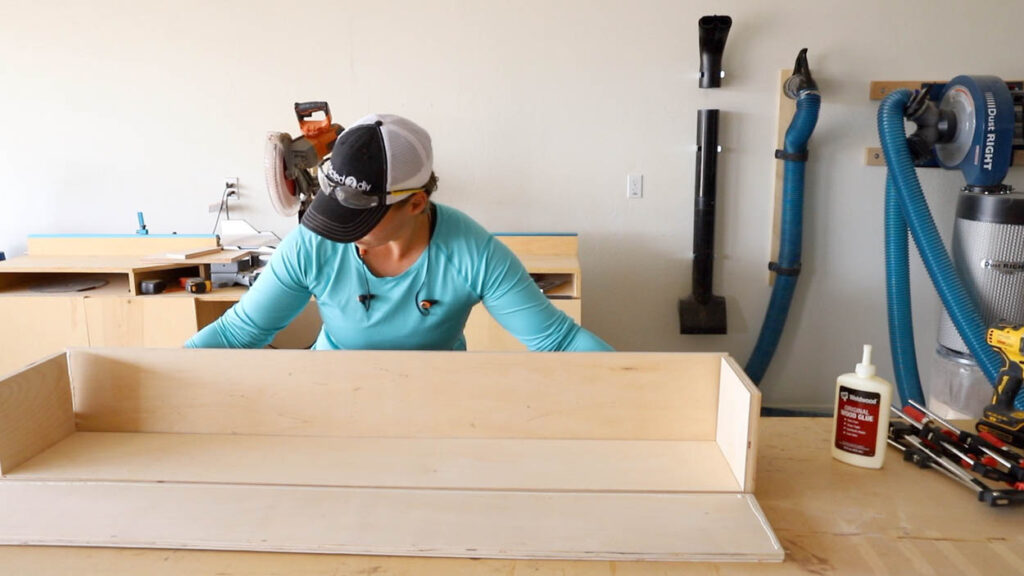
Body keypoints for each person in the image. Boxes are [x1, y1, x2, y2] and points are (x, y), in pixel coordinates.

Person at [186, 113, 612, 352]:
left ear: (415, 203)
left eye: (359, 217)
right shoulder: (314, 244)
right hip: (331, 400)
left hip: (436, 404)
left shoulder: (471, 251)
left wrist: (640, 383)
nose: (339, 230)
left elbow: (560, 340)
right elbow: (238, 332)